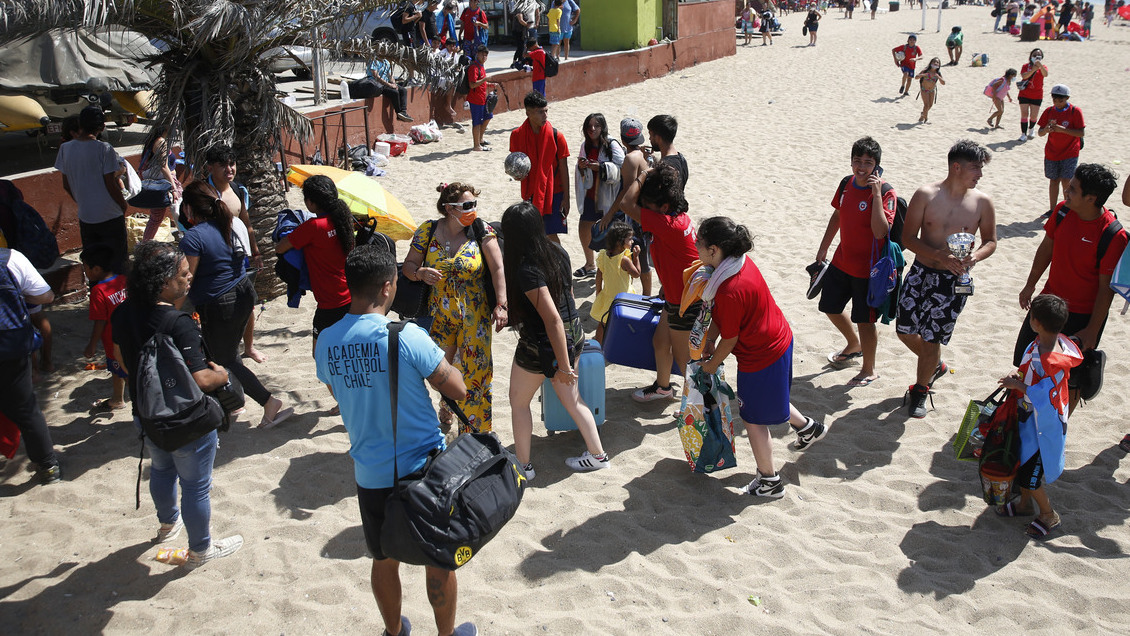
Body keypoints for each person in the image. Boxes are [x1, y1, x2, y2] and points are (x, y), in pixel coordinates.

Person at [313, 245, 477, 636]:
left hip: (370, 471)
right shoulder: (405, 335)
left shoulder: (326, 342)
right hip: (424, 469)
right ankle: (446, 634)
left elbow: (339, 394)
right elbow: (458, 388)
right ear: (388, 287)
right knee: (438, 558)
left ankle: (393, 631)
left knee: (383, 557)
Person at [111, 241, 243, 567]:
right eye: (183, 275)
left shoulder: (123, 313)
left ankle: (168, 524)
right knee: (196, 488)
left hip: (147, 413)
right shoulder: (179, 322)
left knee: (161, 468)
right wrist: (222, 375)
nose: (189, 278)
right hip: (187, 422)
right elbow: (200, 379)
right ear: (163, 283)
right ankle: (201, 550)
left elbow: (119, 360)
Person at [692, 217, 828, 498]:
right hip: (779, 338)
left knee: (752, 417)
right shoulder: (739, 263)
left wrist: (711, 365)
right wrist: (711, 339)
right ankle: (808, 429)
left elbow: (731, 337)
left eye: (699, 242)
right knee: (768, 397)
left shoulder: (728, 289)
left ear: (714, 249)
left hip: (762, 355)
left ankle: (769, 481)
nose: (695, 245)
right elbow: (725, 320)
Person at [502, 201, 609, 477]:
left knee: (518, 402)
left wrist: (563, 365)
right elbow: (568, 298)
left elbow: (551, 319)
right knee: (573, 400)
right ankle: (598, 455)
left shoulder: (527, 268)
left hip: (544, 343)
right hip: (574, 331)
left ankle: (523, 466)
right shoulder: (556, 251)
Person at [180, 181, 293, 429]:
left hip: (220, 303)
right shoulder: (228, 225)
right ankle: (234, 402)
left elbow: (186, 279)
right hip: (242, 293)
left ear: (189, 209)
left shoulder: (194, 237)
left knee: (224, 358)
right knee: (228, 352)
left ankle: (268, 402)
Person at [1013, 163, 1127, 412]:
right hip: (1047, 304)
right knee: (1025, 363)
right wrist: (1029, 285)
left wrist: (1092, 330)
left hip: (1081, 317)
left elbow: (1106, 290)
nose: (1067, 190)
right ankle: (1021, 418)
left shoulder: (1113, 235)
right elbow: (1046, 249)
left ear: (1091, 198)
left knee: (1070, 379)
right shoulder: (1062, 211)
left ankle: (1058, 425)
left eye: (1073, 188)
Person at [897, 140, 998, 418]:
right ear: (957, 167)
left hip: (953, 282)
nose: (980, 174)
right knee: (904, 330)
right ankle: (935, 365)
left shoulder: (982, 202)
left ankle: (920, 390)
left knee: (931, 338)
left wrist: (975, 257)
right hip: (920, 273)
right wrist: (939, 256)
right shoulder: (926, 195)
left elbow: (990, 241)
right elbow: (907, 238)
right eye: (975, 168)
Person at [402, 182, 506, 433]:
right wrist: (419, 273)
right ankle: (447, 406)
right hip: (439, 316)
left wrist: (501, 304)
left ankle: (473, 435)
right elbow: (408, 265)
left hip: (475, 317)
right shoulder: (427, 231)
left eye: (474, 204)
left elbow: (497, 268)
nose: (473, 210)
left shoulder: (482, 231)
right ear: (449, 209)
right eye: (467, 206)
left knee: (476, 376)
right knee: (441, 374)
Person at [997, 294, 1081, 540]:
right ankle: (1024, 505)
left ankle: (1048, 514)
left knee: (1030, 476)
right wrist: (1020, 375)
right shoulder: (1042, 345)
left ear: (1036, 323)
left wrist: (1019, 386)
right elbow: (1031, 373)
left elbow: (1046, 396)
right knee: (1022, 462)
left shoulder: (1052, 360)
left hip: (1042, 426)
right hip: (1029, 420)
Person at [816, 137, 898, 388]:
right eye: (857, 161)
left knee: (865, 320)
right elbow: (838, 215)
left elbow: (880, 232)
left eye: (868, 163)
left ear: (877, 166)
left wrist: (874, 196)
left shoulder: (886, 193)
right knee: (829, 306)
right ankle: (854, 344)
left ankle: (869, 369)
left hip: (869, 272)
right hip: (841, 262)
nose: (862, 168)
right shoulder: (845, 183)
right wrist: (823, 248)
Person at [621, 163, 700, 403]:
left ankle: (696, 404)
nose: (644, 210)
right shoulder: (677, 218)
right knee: (660, 342)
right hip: (677, 296)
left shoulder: (666, 224)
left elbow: (626, 204)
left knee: (683, 357)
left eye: (649, 206)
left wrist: (644, 173)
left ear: (664, 206)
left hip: (685, 303)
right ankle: (663, 387)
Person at [275, 175, 355, 359]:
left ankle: (336, 389)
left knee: (320, 356)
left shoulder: (314, 226)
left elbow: (281, 247)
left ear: (310, 203)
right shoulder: (344, 219)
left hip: (330, 302)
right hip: (352, 295)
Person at [201, 145, 266, 364]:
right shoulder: (202, 194)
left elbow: (246, 223)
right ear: (210, 168)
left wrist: (255, 252)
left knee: (247, 303)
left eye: (232, 164)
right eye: (223, 165)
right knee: (214, 308)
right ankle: (213, 353)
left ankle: (248, 347)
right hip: (213, 260)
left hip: (239, 258)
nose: (229, 169)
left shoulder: (238, 190)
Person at [0, 246, 59, 484]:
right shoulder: (10, 258)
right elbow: (46, 296)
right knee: (25, 408)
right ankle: (47, 466)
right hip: (8, 344)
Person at [55, 106, 128, 271]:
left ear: (80, 124)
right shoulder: (104, 148)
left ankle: (98, 294)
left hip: (86, 217)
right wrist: (122, 204)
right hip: (110, 215)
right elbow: (110, 182)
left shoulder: (65, 149)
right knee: (117, 264)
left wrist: (83, 200)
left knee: (95, 265)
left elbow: (66, 184)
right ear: (102, 127)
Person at [599, 117, 654, 296]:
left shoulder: (630, 158)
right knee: (643, 256)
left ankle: (644, 296)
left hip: (635, 216)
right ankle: (646, 295)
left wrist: (609, 214)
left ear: (623, 139)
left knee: (639, 257)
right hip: (645, 212)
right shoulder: (645, 156)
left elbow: (625, 192)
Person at [509, 91, 570, 243]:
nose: (545, 115)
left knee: (550, 235)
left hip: (554, 193)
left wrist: (566, 198)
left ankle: (559, 265)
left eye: (546, 111)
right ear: (528, 113)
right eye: (540, 112)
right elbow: (516, 164)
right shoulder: (517, 135)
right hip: (530, 193)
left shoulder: (557, 136)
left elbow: (564, 168)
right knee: (533, 235)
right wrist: (516, 175)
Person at [573, 113, 625, 278]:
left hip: (608, 198)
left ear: (603, 127)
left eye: (596, 126)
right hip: (590, 195)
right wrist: (582, 167)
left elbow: (622, 167)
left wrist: (601, 168)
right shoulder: (585, 146)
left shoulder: (612, 145)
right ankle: (590, 265)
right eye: (589, 126)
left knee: (608, 233)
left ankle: (610, 270)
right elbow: (580, 168)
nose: (592, 129)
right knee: (584, 227)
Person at [82, 244, 128, 411]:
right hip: (130, 333)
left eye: (85, 268)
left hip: (113, 340)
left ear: (96, 269)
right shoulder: (123, 280)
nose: (85, 272)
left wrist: (92, 345)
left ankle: (142, 405)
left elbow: (99, 321)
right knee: (118, 370)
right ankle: (117, 399)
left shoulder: (98, 291)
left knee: (125, 371)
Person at [1037, 84, 1085, 217]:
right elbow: (1040, 132)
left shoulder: (1075, 111)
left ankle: (1066, 209)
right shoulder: (1049, 111)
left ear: (1067, 98)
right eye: (1055, 100)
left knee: (1067, 181)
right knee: (1053, 181)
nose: (1057, 103)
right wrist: (1046, 129)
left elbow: (1081, 133)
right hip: (1052, 152)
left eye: (1061, 101)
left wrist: (1062, 130)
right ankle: (1053, 209)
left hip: (1070, 152)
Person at [591, 221, 640, 344]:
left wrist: (598, 291)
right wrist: (636, 257)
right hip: (622, 298)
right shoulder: (624, 260)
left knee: (603, 323)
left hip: (608, 295)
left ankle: (598, 343)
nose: (632, 241)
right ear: (620, 242)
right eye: (630, 239)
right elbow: (637, 274)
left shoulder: (604, 255)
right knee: (623, 321)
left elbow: (599, 274)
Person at [138, 125, 182, 241]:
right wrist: (174, 188)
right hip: (165, 183)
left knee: (156, 217)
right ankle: (185, 238)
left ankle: (145, 244)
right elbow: (164, 167)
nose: (177, 129)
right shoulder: (161, 143)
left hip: (160, 183)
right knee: (177, 211)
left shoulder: (153, 140)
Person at [467, 46, 497, 153]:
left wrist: (489, 84)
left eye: (486, 55)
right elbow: (472, 85)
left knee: (488, 116)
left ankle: (480, 139)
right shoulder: (474, 68)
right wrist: (485, 79)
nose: (484, 57)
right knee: (477, 122)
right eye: (482, 54)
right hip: (475, 100)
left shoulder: (481, 66)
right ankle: (476, 145)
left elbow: (481, 83)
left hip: (482, 98)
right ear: (477, 54)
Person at [367, 58, 414, 123]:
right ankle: (398, 113)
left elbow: (389, 75)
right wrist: (389, 85)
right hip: (376, 84)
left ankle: (403, 112)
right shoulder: (374, 61)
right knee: (394, 93)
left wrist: (394, 84)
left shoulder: (386, 62)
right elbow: (375, 76)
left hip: (386, 83)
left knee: (403, 90)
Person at [648, 115, 687, 190]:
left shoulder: (666, 167)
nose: (649, 138)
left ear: (657, 137)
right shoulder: (682, 159)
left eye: (650, 135)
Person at [1017, 48, 1048, 142]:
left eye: (1039, 55)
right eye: (1034, 55)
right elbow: (1024, 76)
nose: (1036, 57)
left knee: (1034, 116)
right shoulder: (1025, 66)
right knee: (1024, 114)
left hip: (1037, 95)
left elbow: (1045, 74)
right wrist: (1033, 69)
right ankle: (1023, 134)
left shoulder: (1043, 67)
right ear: (1031, 56)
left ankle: (1031, 128)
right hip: (1024, 94)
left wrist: (1040, 67)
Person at [914, 58, 945, 124]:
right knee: (926, 105)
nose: (936, 63)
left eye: (937, 62)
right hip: (924, 90)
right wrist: (923, 75)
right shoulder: (925, 70)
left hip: (932, 90)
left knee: (930, 105)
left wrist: (938, 77)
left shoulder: (938, 73)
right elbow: (916, 77)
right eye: (934, 62)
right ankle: (925, 118)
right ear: (931, 63)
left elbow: (943, 83)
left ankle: (923, 114)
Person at [510, 0, 538, 67]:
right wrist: (527, 25)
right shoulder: (519, 9)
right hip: (518, 31)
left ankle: (520, 61)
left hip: (522, 31)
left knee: (522, 47)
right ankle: (514, 62)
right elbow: (520, 20)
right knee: (520, 47)